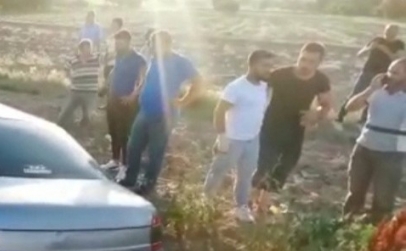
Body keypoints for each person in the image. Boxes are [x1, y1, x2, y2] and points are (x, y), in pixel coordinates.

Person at [118, 31, 205, 195]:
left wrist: (183, 101)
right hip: (145, 111)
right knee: (134, 146)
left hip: (164, 115)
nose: (151, 48)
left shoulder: (180, 62)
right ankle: (130, 178)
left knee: (155, 151)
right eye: (151, 44)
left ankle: (148, 184)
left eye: (154, 44)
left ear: (166, 44)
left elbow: (198, 82)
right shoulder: (155, 59)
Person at [251, 42, 333, 213]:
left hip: (296, 130)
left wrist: (316, 115)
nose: (305, 65)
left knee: (284, 167)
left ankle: (263, 205)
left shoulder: (321, 80)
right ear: (298, 56)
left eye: (311, 62)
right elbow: (254, 91)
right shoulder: (280, 75)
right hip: (270, 127)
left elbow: (326, 105)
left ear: (319, 63)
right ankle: (247, 203)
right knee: (264, 166)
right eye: (303, 59)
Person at [203, 50, 276, 222]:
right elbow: (219, 112)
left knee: (245, 176)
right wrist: (222, 138)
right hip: (233, 139)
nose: (269, 70)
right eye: (265, 66)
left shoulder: (265, 86)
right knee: (218, 172)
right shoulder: (236, 87)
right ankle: (205, 203)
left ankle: (241, 207)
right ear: (252, 65)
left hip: (253, 139)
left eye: (271, 66)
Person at [342, 58, 406, 223]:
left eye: (395, 72)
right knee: (354, 193)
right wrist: (370, 89)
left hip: (391, 154)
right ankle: (347, 226)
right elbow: (350, 108)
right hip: (364, 148)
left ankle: (377, 237)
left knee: (383, 199)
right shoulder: (377, 91)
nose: (389, 75)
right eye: (389, 70)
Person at [337, 24, 404, 123]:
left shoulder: (399, 44)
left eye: (392, 31)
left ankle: (364, 119)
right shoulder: (377, 40)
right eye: (387, 30)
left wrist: (383, 49)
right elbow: (360, 54)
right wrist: (369, 48)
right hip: (368, 71)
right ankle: (341, 115)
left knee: (375, 96)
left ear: (396, 33)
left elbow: (398, 59)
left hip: (385, 75)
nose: (389, 33)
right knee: (356, 92)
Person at [101, 30, 147, 176]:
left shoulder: (138, 59)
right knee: (113, 131)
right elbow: (114, 71)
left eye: (120, 42)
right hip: (113, 99)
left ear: (128, 42)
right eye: (116, 42)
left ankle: (125, 164)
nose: (117, 45)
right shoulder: (119, 56)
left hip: (127, 102)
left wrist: (133, 96)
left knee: (125, 133)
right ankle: (114, 160)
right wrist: (106, 86)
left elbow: (142, 80)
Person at [58, 39, 102, 127]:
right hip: (76, 91)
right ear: (80, 49)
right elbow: (64, 72)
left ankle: (84, 127)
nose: (86, 50)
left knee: (89, 117)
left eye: (88, 48)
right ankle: (65, 126)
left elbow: (109, 55)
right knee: (62, 117)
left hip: (90, 92)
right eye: (84, 48)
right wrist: (68, 82)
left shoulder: (96, 58)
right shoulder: (73, 60)